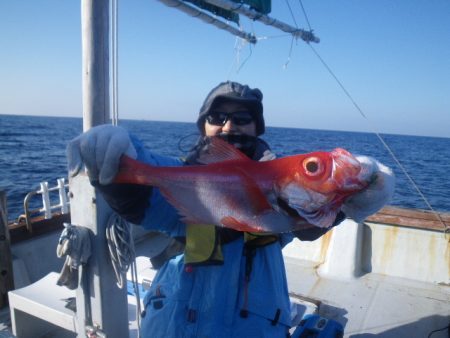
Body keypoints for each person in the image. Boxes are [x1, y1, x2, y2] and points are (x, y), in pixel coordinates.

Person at [67, 81, 394, 337]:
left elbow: (308, 220)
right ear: (204, 126)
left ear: (256, 128)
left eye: (242, 118)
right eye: (216, 117)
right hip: (172, 325)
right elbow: (150, 194)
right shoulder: (187, 177)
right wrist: (122, 162)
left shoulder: (281, 186)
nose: (228, 126)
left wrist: (353, 194)